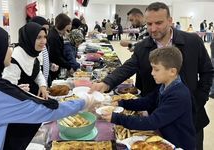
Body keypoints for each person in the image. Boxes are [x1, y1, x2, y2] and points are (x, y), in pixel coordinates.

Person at [90, 2, 213, 150]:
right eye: (149, 24)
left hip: (191, 118)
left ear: (170, 21)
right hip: (156, 117)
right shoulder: (143, 47)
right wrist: (106, 83)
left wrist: (198, 100)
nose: (153, 28)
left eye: (159, 23)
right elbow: (128, 67)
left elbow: (207, 72)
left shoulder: (193, 41)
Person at [0, 21, 96, 150]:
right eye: (7, 45)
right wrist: (84, 101)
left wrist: (15, 92)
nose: (11, 49)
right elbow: (46, 110)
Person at [101, 46, 196, 149]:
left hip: (179, 144)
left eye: (156, 69)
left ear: (172, 72)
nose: (152, 73)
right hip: (166, 137)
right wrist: (121, 103)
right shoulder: (165, 85)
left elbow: (152, 122)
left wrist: (116, 118)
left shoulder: (179, 95)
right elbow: (146, 102)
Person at [2, 22, 50, 149]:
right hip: (18, 111)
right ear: (29, 37)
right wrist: (20, 90)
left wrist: (43, 85)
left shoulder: (33, 52)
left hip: (31, 103)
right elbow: (7, 87)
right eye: (38, 37)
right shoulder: (16, 57)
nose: (43, 41)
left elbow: (37, 71)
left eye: (44, 37)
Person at [30, 16, 59, 87]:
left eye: (47, 29)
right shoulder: (30, 48)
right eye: (43, 29)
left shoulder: (45, 44)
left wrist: (50, 65)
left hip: (45, 83)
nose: (46, 32)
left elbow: (44, 61)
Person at [48, 13, 72, 81]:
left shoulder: (56, 32)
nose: (68, 28)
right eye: (68, 25)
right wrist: (69, 67)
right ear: (63, 25)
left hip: (56, 66)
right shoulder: (53, 37)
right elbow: (57, 56)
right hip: (53, 67)